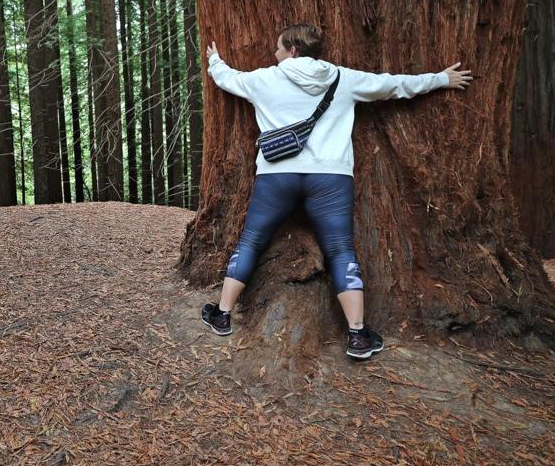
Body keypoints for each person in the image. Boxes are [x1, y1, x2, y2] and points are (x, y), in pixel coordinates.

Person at [199, 24, 472, 360]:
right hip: (330, 177)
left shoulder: (263, 79)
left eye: (278, 48)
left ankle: (223, 314)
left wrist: (215, 61)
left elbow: (228, 79)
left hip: (276, 176)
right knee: (341, 251)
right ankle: (357, 335)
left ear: (293, 51)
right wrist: (441, 79)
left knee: (251, 241)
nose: (275, 53)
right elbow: (394, 85)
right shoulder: (344, 79)